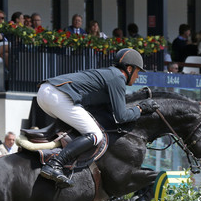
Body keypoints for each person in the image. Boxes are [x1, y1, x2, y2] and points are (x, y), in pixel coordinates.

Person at [35, 48, 154, 187]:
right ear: (129, 68)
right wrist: (140, 108)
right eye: (138, 72)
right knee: (95, 135)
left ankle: (67, 167)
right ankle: (55, 164)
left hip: (46, 92)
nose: (138, 76)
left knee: (79, 130)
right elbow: (121, 117)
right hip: (57, 95)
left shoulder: (110, 75)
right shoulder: (118, 77)